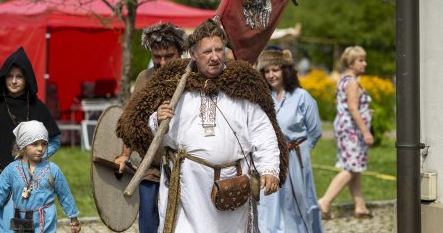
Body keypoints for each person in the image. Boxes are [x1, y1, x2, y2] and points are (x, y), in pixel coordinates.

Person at [116, 19, 289, 233]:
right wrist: (157, 119)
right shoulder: (176, 87)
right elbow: (155, 133)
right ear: (193, 55)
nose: (215, 56)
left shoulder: (243, 87)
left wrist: (269, 169)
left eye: (219, 50)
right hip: (189, 189)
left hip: (232, 184)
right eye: (207, 52)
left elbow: (262, 131)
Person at [114, 23, 187, 233]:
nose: (162, 62)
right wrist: (124, 155)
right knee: (148, 219)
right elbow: (131, 121)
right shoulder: (144, 78)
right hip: (151, 165)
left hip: (184, 165)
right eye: (157, 57)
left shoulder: (192, 77)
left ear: (180, 52)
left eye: (168, 56)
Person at [0, 47, 61, 232]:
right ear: (3, 77)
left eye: (19, 76)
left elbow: (54, 141)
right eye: (9, 76)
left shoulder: (38, 107)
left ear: (26, 78)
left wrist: (33, 159)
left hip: (28, 182)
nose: (13, 81)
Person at [256, 48, 323, 233]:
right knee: (270, 202)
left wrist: (301, 151)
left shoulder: (302, 97)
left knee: (297, 201)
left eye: (275, 70)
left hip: (296, 157)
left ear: (285, 70)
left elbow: (315, 130)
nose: (271, 75)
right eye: (266, 71)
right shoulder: (263, 99)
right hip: (271, 157)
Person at [0, 120, 80, 232]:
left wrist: (74, 219)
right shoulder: (11, 170)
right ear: (23, 145)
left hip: (45, 223)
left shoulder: (52, 170)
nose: (40, 148)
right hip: (20, 222)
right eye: (35, 144)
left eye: (44, 143)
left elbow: (65, 195)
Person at [318, 46, 374, 219]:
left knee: (354, 168)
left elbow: (347, 106)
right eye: (360, 60)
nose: (365, 63)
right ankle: (324, 202)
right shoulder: (352, 82)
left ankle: (360, 206)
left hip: (345, 129)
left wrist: (367, 112)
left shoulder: (343, 80)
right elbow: (352, 108)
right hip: (353, 132)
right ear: (351, 63)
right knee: (350, 169)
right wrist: (366, 132)